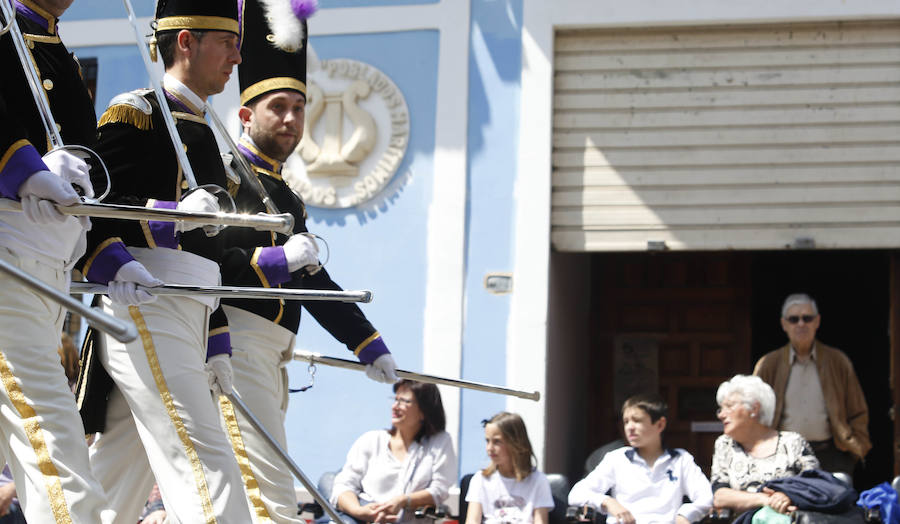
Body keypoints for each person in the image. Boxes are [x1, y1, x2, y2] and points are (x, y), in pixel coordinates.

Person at [218, 2, 398, 521]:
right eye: (279, 107)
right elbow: (210, 258)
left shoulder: (288, 195)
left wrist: (366, 342)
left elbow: (313, 280)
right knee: (268, 489)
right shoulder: (225, 172)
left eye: (300, 108)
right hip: (235, 339)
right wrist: (275, 259)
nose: (293, 120)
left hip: (275, 350)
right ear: (247, 114)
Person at [74, 0, 253, 521]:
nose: (236, 57)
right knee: (202, 455)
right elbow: (93, 206)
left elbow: (211, 256)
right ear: (186, 42)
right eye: (227, 42)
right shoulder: (140, 113)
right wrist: (168, 215)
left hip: (191, 308)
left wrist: (216, 339)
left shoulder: (216, 134)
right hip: (148, 298)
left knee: (116, 478)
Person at [0, 0, 114, 521]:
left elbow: (87, 177)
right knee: (58, 453)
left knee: (40, 451)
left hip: (48, 272)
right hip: (7, 255)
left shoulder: (58, 52)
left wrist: (112, 259)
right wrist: (23, 167)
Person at [753, 293, 870, 477]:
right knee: (785, 505)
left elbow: (858, 411)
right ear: (784, 324)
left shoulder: (837, 361)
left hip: (831, 454)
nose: (801, 324)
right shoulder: (769, 364)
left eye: (807, 318)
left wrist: (856, 445)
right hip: (783, 455)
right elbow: (754, 411)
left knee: (835, 503)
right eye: (794, 319)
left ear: (817, 322)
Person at [568, 394, 713, 524]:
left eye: (637, 421)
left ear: (660, 424)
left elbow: (706, 498)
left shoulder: (681, 460)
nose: (630, 427)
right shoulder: (617, 458)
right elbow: (577, 494)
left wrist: (686, 514)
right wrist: (608, 502)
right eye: (626, 422)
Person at [330, 380, 456, 524]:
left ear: (424, 411)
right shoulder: (371, 440)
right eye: (395, 399)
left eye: (404, 401)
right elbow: (344, 486)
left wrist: (403, 501)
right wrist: (360, 512)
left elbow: (439, 490)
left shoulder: (440, 442)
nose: (395, 406)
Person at [711, 375, 820, 515]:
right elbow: (720, 496)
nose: (721, 415)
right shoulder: (725, 445)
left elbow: (815, 485)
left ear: (754, 409)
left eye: (729, 406)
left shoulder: (792, 442)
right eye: (721, 409)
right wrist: (765, 500)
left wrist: (788, 497)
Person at [465, 412, 553, 524]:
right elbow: (472, 520)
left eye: (497, 441)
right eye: (487, 441)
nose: (489, 448)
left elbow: (540, 521)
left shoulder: (539, 481)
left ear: (515, 442)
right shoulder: (480, 480)